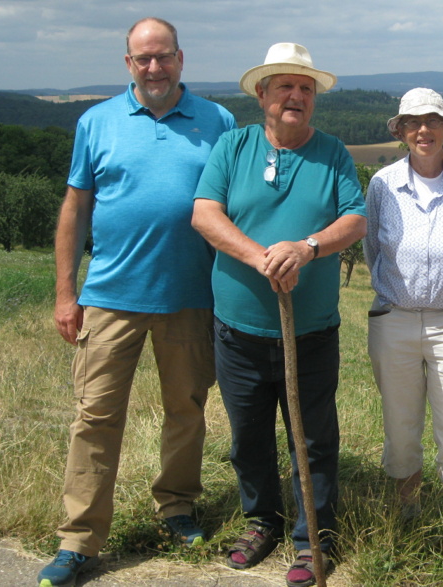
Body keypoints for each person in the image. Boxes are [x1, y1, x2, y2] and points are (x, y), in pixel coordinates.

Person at [40, 17, 237, 587]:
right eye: (143, 58)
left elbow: (232, 205)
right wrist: (65, 293)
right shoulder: (96, 122)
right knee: (95, 417)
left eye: (164, 56)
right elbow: (76, 209)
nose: (154, 68)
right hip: (110, 296)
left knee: (187, 409)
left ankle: (176, 507)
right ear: (128, 63)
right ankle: (79, 540)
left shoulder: (218, 121)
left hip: (191, 296)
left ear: (181, 58)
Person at [191, 43, 366, 587]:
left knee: (312, 440)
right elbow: (204, 214)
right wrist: (260, 256)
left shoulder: (332, 153)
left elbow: (355, 219)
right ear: (262, 93)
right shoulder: (233, 146)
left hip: (310, 333)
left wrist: (306, 247)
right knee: (248, 437)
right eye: (285, 86)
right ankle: (261, 521)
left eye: (305, 88)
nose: (296, 96)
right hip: (238, 331)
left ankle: (314, 538)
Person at [364, 88, 443, 524]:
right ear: (400, 131)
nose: (423, 130)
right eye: (413, 123)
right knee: (400, 427)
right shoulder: (383, 184)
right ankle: (409, 512)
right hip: (393, 319)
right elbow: (372, 248)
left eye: (432, 121)